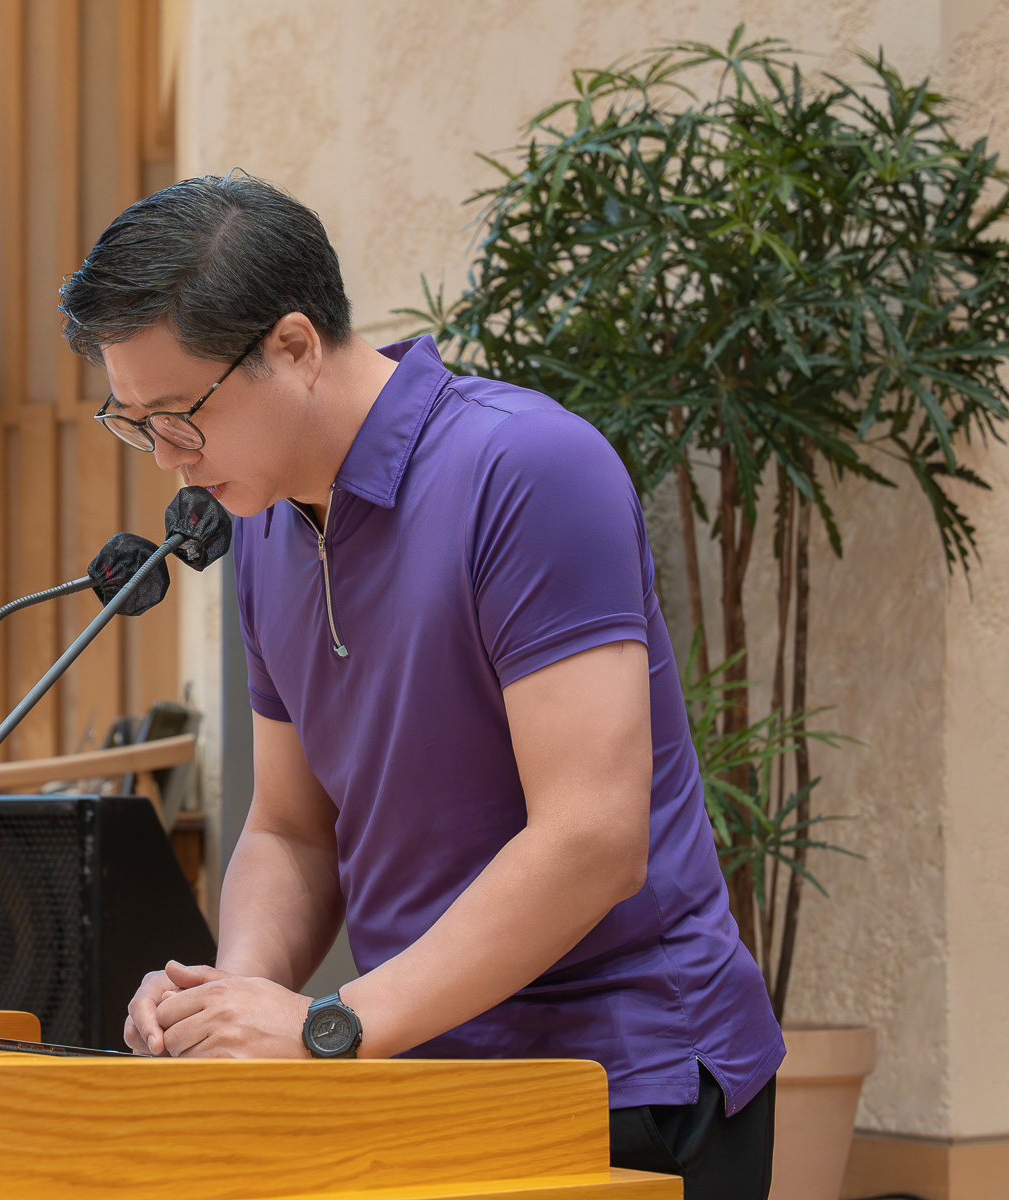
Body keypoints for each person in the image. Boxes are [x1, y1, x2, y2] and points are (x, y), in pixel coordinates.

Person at [56, 171, 782, 1200]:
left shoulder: (525, 468)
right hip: (419, 1072)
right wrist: (234, 1001)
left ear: (294, 347)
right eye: (135, 422)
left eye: (180, 416)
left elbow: (593, 836)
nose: (168, 461)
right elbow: (293, 827)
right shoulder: (264, 526)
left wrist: (330, 1024)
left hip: (625, 1076)